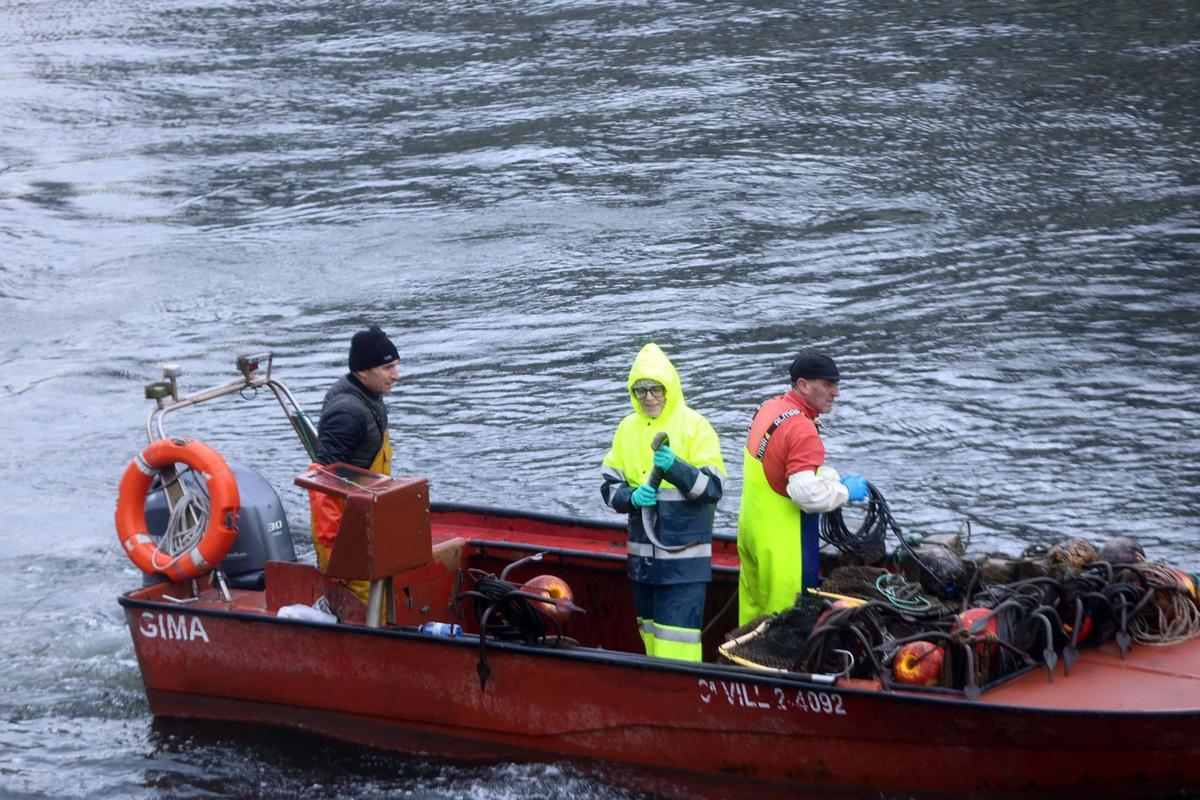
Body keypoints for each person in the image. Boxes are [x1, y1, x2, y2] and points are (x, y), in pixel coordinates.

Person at [601, 343, 725, 662]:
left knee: (677, 644)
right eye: (640, 390)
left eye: (655, 389)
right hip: (642, 563)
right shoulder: (626, 429)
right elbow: (609, 487)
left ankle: (683, 691)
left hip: (683, 563)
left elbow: (713, 488)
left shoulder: (696, 426)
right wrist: (631, 497)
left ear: (669, 388)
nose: (649, 397)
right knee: (650, 637)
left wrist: (677, 468)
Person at [736, 353, 868, 626]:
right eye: (828, 384)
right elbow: (805, 494)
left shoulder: (769, 408)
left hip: (752, 536)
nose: (836, 392)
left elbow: (778, 462)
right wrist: (844, 492)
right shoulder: (802, 429)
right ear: (803, 385)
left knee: (751, 620)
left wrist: (829, 477)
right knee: (787, 627)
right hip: (785, 549)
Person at [309, 326, 400, 603]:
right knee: (365, 607)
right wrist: (339, 554)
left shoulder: (370, 396)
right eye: (387, 368)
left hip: (367, 518)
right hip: (348, 536)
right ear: (362, 372)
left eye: (395, 366)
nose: (396, 375)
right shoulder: (347, 413)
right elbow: (323, 483)